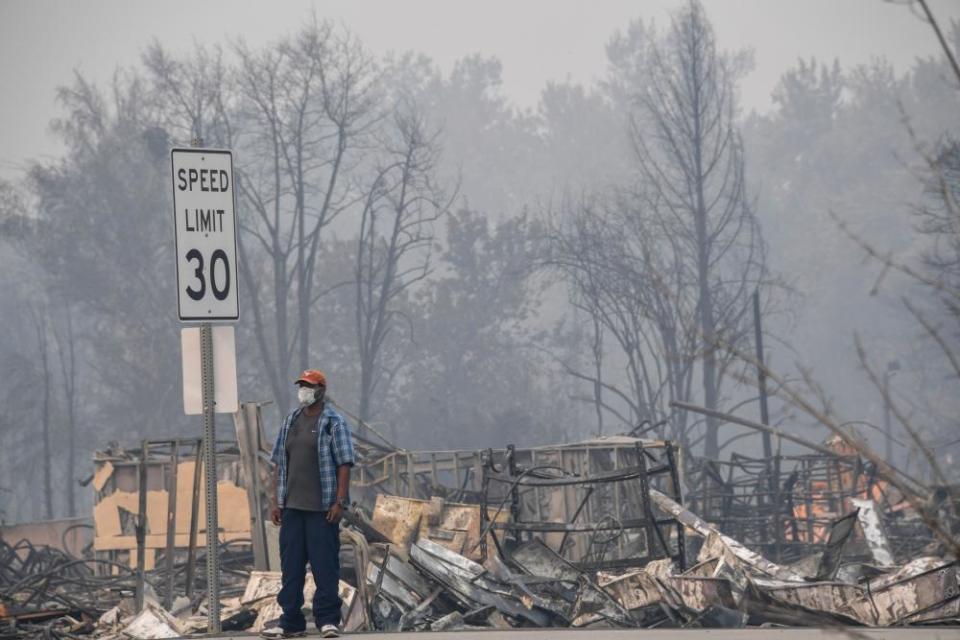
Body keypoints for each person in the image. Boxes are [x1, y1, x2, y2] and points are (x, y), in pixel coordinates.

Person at [261, 370, 356, 639]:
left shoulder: (333, 423)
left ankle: (328, 620)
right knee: (291, 567)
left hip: (321, 510)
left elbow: (345, 464)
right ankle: (290, 621)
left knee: (324, 566)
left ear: (321, 390)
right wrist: (275, 501)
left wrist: (339, 501)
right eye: (301, 385)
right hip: (292, 508)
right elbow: (278, 462)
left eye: (309, 386)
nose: (304, 390)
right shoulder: (292, 420)